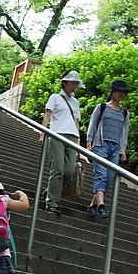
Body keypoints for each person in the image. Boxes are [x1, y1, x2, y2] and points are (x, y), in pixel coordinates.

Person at [38, 69, 85, 216]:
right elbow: (47, 115)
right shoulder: (55, 97)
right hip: (57, 134)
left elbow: (76, 122)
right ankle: (51, 202)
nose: (74, 86)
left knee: (69, 171)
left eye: (76, 83)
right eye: (72, 83)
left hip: (71, 137)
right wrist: (42, 132)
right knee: (57, 169)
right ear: (64, 82)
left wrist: (78, 140)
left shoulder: (75, 102)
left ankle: (48, 192)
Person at [86, 79, 130, 218]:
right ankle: (101, 206)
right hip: (101, 145)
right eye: (118, 91)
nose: (121, 94)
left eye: (123, 92)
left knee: (109, 178)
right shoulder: (102, 107)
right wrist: (89, 143)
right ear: (112, 92)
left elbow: (124, 132)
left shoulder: (125, 113)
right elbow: (92, 125)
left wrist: (123, 149)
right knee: (101, 175)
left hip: (115, 149)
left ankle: (92, 205)